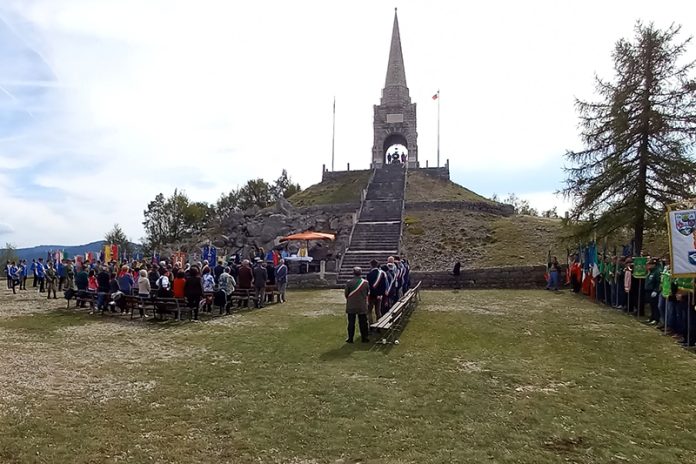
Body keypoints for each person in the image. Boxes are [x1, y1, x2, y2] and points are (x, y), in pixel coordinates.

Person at [344, 267, 369, 344]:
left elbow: (346, 294)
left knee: (351, 323)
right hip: (362, 305)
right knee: (363, 322)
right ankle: (364, 338)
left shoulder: (349, 282)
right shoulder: (365, 283)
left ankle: (350, 338)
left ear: (353, 273)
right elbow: (367, 293)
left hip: (351, 305)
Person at [366, 259, 386, 325]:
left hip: (372, 295)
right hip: (379, 295)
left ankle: (371, 324)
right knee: (378, 311)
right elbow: (384, 285)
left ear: (371, 265)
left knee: (369, 311)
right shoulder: (382, 273)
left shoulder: (369, 274)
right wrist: (380, 294)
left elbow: (369, 287)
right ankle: (379, 325)